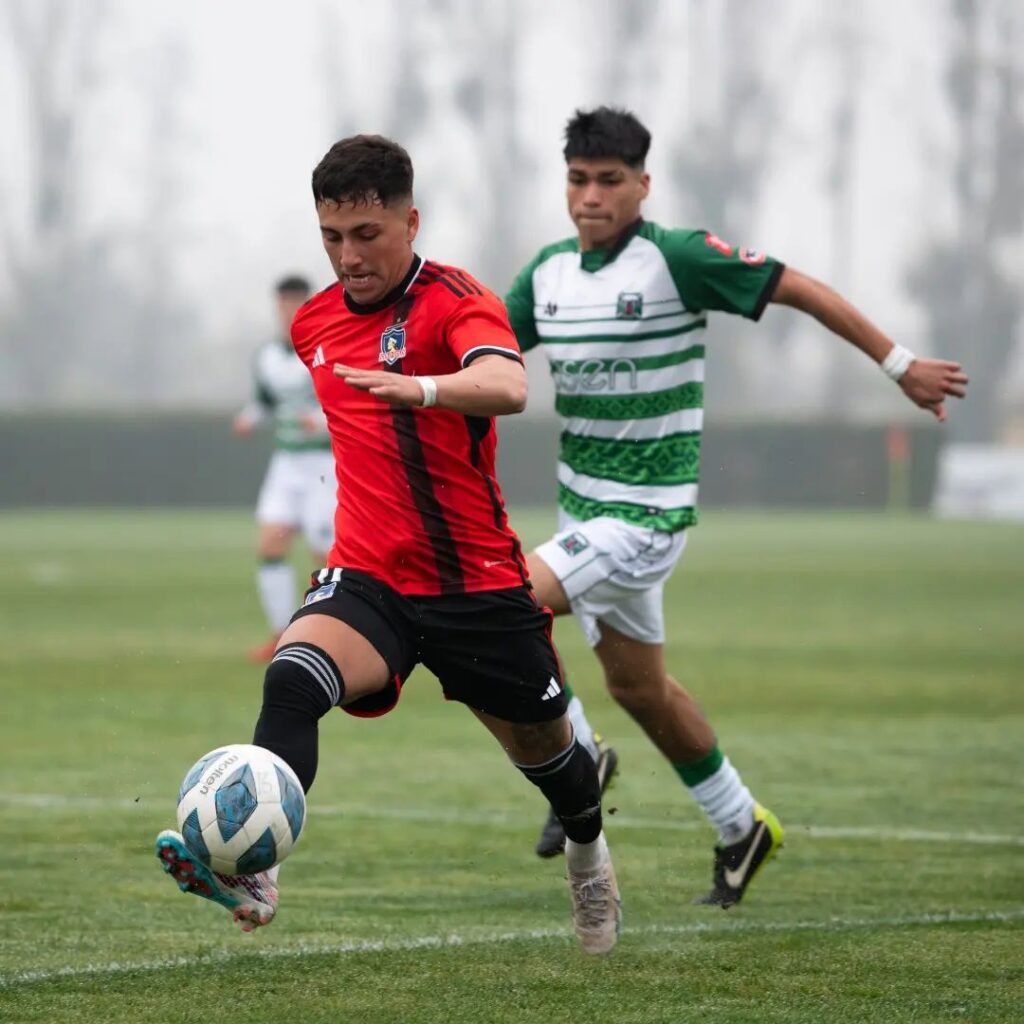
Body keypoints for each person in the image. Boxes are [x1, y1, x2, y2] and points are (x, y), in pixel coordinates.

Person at [155, 134, 621, 955]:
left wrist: (427, 387)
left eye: (366, 235)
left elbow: (510, 384)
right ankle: (258, 866)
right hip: (369, 576)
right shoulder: (314, 324)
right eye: (332, 237)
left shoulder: (456, 301)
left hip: (476, 585)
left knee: (556, 763)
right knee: (294, 680)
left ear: (410, 221)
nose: (348, 256)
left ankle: (588, 855)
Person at [505, 107, 969, 905]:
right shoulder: (545, 277)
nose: (590, 196)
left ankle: (577, 757)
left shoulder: (676, 258)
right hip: (586, 517)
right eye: (579, 180)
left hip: (645, 520)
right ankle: (740, 825)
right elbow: (481, 358)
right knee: (640, 689)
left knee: (501, 602)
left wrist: (899, 365)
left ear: (642, 185)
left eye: (609, 181)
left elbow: (799, 289)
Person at [233, 275, 336, 663]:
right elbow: (264, 401)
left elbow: (349, 401)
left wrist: (321, 421)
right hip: (286, 463)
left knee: (326, 555)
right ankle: (281, 635)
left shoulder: (328, 347)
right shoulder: (267, 356)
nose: (288, 310)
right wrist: (248, 418)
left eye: (296, 303)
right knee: (270, 545)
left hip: (324, 465)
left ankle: (331, 635)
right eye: (283, 304)